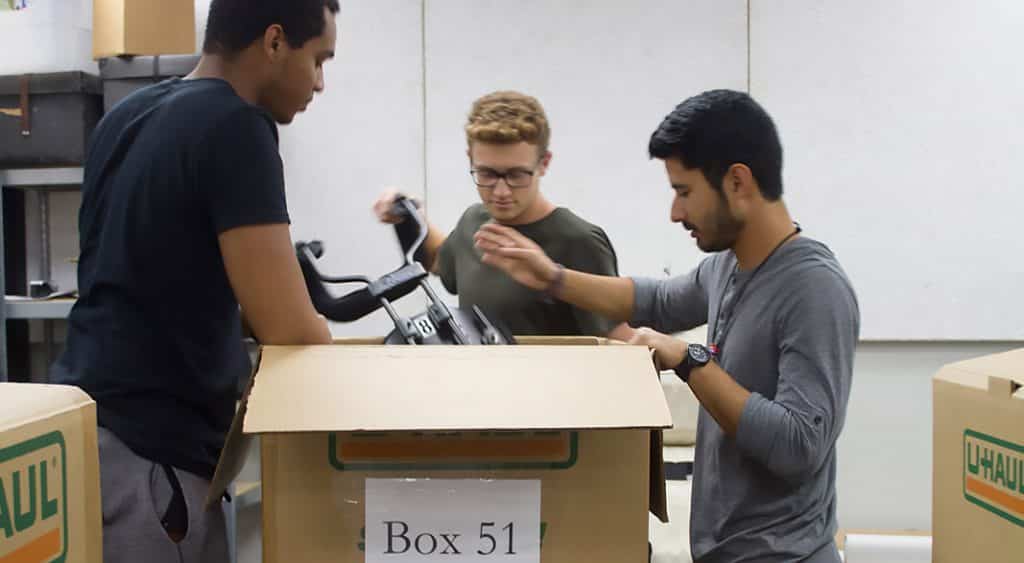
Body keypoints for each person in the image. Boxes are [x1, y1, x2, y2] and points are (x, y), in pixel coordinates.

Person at [474, 89, 860, 562]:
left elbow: (800, 444)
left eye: (684, 192)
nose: (675, 212)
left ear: (737, 182)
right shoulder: (728, 267)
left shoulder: (814, 289)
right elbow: (654, 299)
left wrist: (688, 360)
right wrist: (553, 278)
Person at [49, 1, 339, 560]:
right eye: (318, 59)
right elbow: (286, 328)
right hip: (154, 458)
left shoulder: (126, 116)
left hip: (90, 431)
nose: (320, 83)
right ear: (275, 42)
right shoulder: (237, 126)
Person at [373, 90, 632, 340]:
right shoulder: (472, 222)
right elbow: (438, 260)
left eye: (516, 175)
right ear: (470, 159)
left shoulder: (579, 241)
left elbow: (616, 341)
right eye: (486, 174)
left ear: (544, 163)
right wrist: (407, 214)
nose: (500, 191)